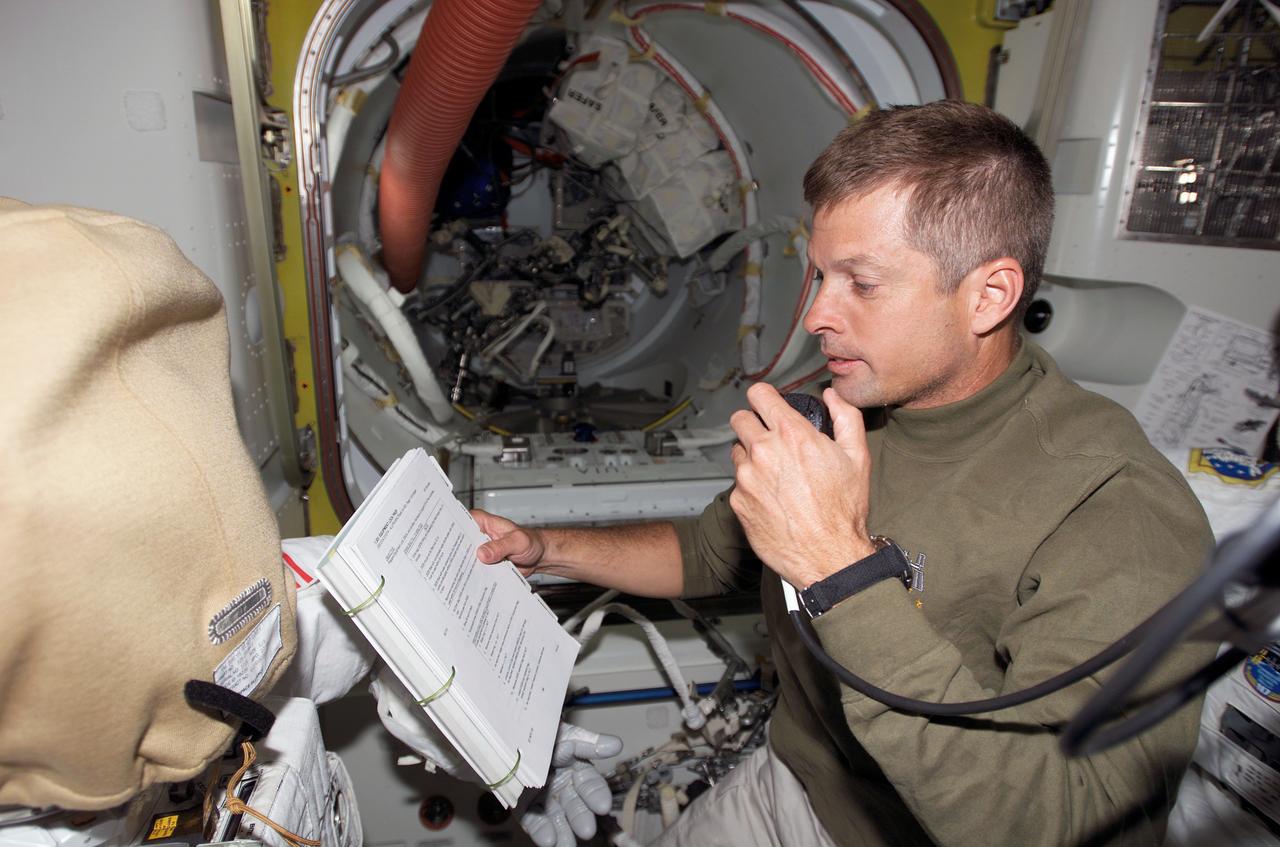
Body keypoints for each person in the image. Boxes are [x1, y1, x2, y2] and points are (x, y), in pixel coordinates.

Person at [473, 101, 1216, 846]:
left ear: (989, 295)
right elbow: (711, 553)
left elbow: (1065, 819)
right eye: (820, 274)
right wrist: (547, 548)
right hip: (790, 780)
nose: (818, 314)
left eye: (861, 283)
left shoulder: (1116, 509)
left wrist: (837, 565)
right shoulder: (849, 402)